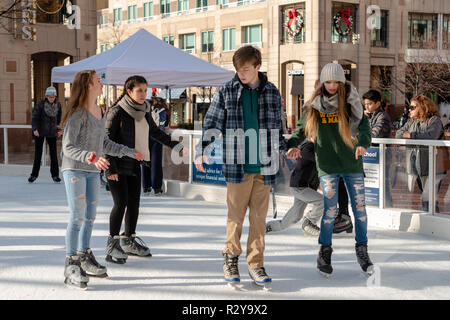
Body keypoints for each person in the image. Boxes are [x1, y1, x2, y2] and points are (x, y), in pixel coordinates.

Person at [195, 45, 287, 287]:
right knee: (235, 217)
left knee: (259, 219)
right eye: (238, 70)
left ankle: (256, 264)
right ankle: (231, 258)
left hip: (265, 167)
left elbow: (278, 127)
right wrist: (201, 150)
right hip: (238, 165)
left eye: (245, 69)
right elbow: (212, 122)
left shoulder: (272, 92)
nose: (241, 74)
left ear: (257, 66)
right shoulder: (227, 91)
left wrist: (286, 149)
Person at [287, 63, 374, 276]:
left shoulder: (351, 103)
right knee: (330, 210)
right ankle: (324, 251)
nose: (333, 86)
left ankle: (362, 250)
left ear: (342, 82)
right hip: (327, 166)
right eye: (328, 82)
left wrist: (363, 143)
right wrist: (291, 144)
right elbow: (301, 129)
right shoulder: (314, 106)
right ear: (323, 83)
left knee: (360, 211)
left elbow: (364, 126)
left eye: (336, 82)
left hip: (352, 164)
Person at [60, 70, 143, 289]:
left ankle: (84, 255)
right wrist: (90, 156)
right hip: (75, 170)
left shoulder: (100, 111)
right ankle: (71, 263)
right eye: (98, 81)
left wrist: (127, 151)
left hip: (92, 170)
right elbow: (67, 148)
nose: (101, 84)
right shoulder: (77, 114)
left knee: (90, 217)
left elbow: (103, 144)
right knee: (77, 217)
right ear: (88, 86)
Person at [104, 75, 185, 263]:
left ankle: (128, 239)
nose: (143, 94)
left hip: (134, 163)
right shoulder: (117, 112)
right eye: (139, 90)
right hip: (116, 164)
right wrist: (110, 169)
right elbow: (105, 141)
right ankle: (112, 245)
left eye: (145, 90)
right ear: (129, 91)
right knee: (120, 202)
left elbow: (155, 133)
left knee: (134, 203)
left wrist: (176, 146)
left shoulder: (144, 111)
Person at [266, 139, 355, 237]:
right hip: (300, 187)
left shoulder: (319, 148)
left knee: (296, 216)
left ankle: (268, 226)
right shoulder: (308, 148)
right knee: (323, 202)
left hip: (305, 187)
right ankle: (309, 221)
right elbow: (323, 162)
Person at [395, 95, 445, 212]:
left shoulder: (434, 121)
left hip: (433, 167)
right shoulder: (411, 121)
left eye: (412, 107)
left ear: (422, 107)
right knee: (425, 197)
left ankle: (434, 223)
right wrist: (410, 136)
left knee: (429, 199)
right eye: (409, 107)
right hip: (417, 165)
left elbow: (430, 136)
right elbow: (398, 134)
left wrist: (411, 135)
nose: (409, 110)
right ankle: (430, 222)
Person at [362, 89, 393, 206]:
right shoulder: (368, 116)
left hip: (381, 157)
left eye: (369, 104)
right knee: (370, 183)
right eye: (365, 104)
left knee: (382, 184)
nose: (367, 107)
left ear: (378, 103)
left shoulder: (383, 116)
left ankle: (387, 205)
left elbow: (375, 133)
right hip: (369, 156)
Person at [29, 86, 62, 183]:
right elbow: (35, 117)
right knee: (38, 155)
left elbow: (59, 120)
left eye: (53, 96)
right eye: (49, 96)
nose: (51, 98)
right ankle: (34, 175)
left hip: (52, 133)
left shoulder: (58, 105)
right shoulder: (40, 104)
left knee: (53, 155)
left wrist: (59, 129)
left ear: (55, 97)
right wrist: (35, 129)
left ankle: (55, 175)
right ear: (46, 96)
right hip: (40, 132)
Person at [141, 97, 170, 196]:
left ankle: (146, 187)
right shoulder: (164, 111)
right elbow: (166, 126)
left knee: (145, 161)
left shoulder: (146, 109)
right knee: (156, 163)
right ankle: (157, 188)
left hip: (145, 137)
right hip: (157, 139)